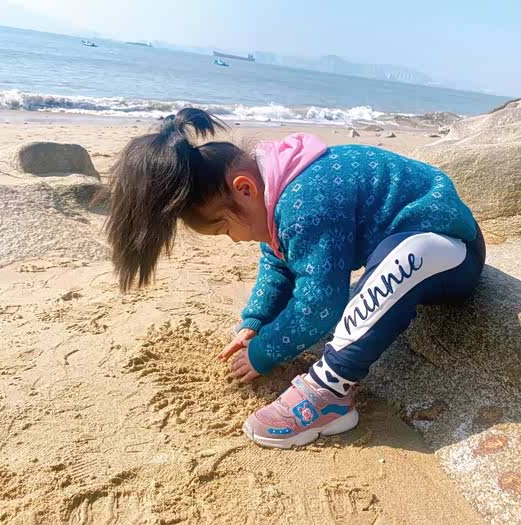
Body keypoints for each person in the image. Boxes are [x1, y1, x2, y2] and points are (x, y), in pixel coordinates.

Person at [104, 107, 486, 449]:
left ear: (244, 188)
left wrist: (265, 352)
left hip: (449, 249)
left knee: (400, 256)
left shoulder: (308, 202)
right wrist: (256, 322)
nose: (233, 239)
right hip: (419, 251)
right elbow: (278, 262)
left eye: (224, 227)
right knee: (375, 263)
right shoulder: (280, 188)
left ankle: (329, 394)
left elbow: (320, 305)